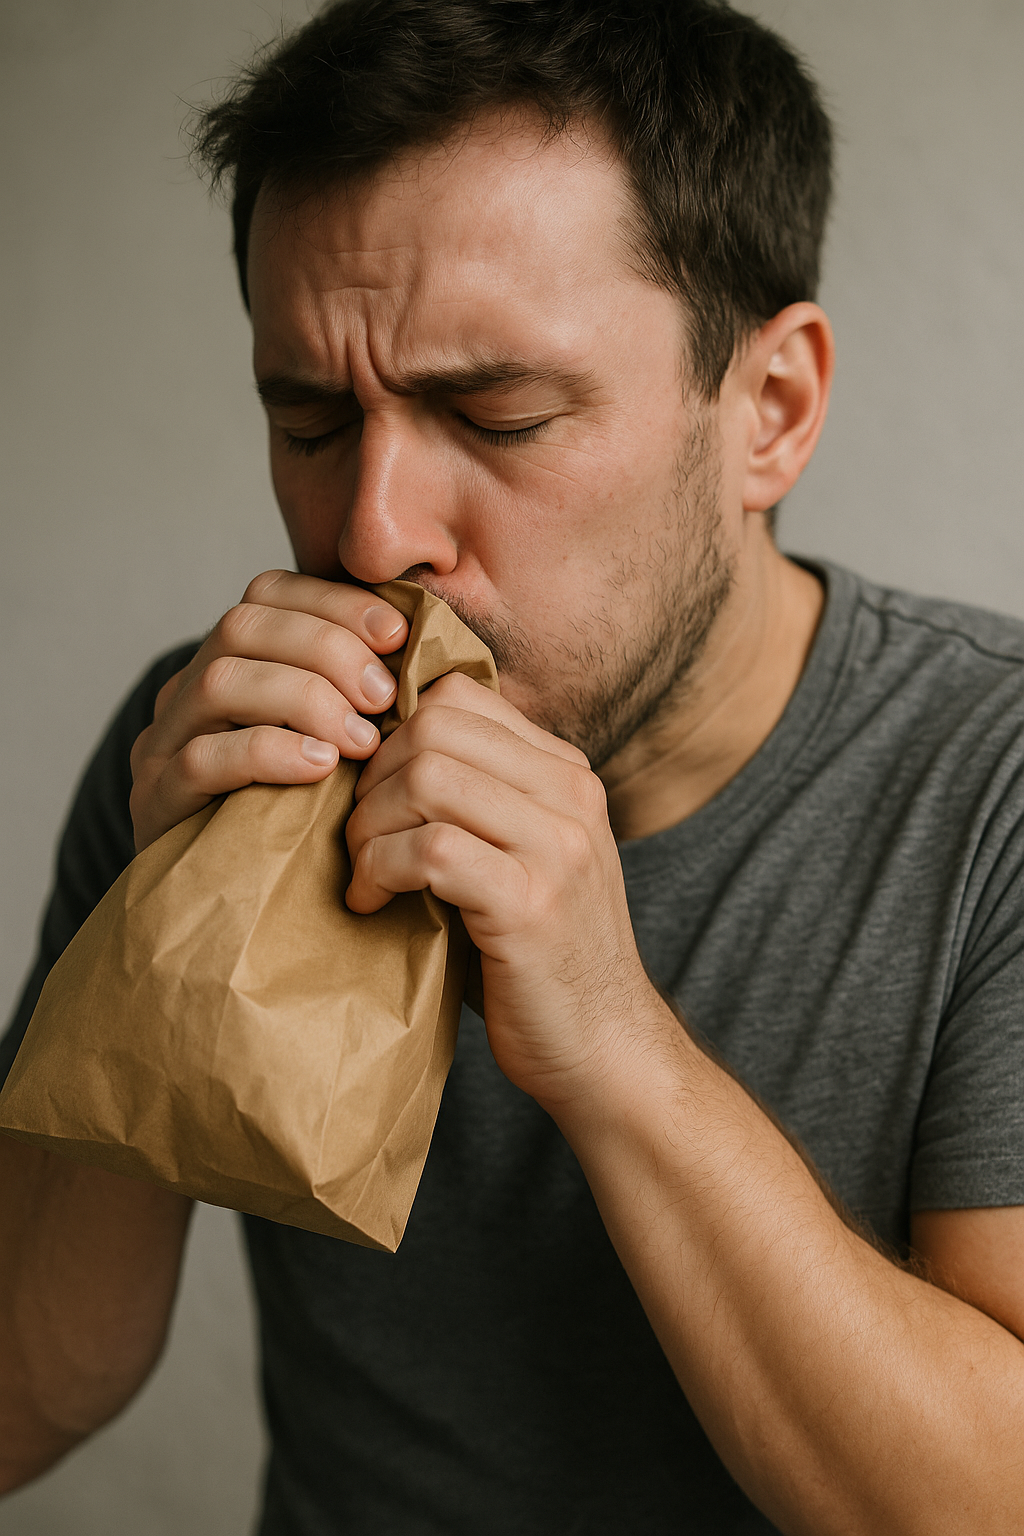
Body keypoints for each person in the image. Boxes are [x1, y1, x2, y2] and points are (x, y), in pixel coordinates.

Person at [2, 0, 1023, 1529]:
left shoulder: (992, 785)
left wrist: (612, 1038)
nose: (371, 534)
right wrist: (156, 941)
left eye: (500, 415)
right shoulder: (210, 744)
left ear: (770, 412)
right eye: (309, 417)